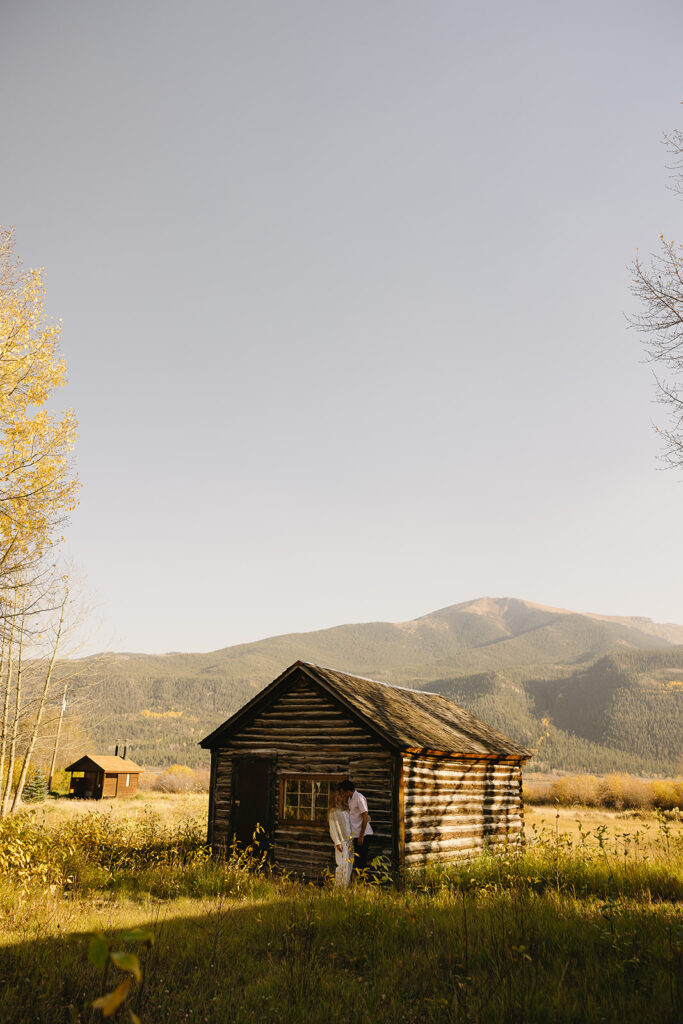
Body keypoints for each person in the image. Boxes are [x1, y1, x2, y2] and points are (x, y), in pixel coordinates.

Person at [339, 779, 373, 873]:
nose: (343, 794)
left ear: (348, 791)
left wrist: (361, 836)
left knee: (362, 860)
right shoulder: (350, 799)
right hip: (355, 834)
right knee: (357, 860)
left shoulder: (359, 798)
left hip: (363, 835)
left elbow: (365, 817)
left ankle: (363, 883)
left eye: (343, 792)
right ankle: (359, 882)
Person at [328, 786, 353, 887]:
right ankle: (338, 888)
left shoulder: (347, 809)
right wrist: (337, 842)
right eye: (338, 795)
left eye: (341, 794)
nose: (341, 796)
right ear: (335, 797)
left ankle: (345, 886)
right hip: (341, 841)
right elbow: (333, 828)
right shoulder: (333, 811)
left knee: (349, 864)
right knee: (341, 864)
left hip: (350, 840)